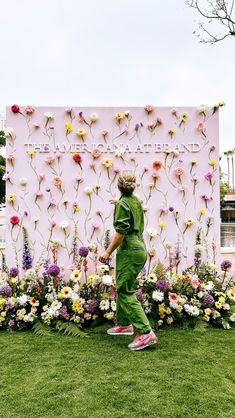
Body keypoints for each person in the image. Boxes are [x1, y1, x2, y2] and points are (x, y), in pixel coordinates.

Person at [99, 171, 157, 351]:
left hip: (129, 251)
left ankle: (145, 332)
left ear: (118, 186)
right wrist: (119, 203)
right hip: (139, 249)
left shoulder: (124, 203)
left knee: (124, 291)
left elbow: (121, 233)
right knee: (124, 286)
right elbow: (130, 211)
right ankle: (124, 325)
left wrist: (107, 252)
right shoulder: (134, 201)